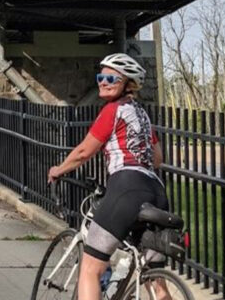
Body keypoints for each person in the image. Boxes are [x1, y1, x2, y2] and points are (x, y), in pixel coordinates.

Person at [47, 53, 171, 300]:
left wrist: (58, 170)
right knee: (156, 280)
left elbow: (84, 151)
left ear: (127, 83)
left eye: (110, 78)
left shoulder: (112, 110)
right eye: (100, 77)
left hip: (127, 189)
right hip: (157, 193)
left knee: (91, 269)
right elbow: (157, 159)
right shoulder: (142, 115)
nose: (103, 82)